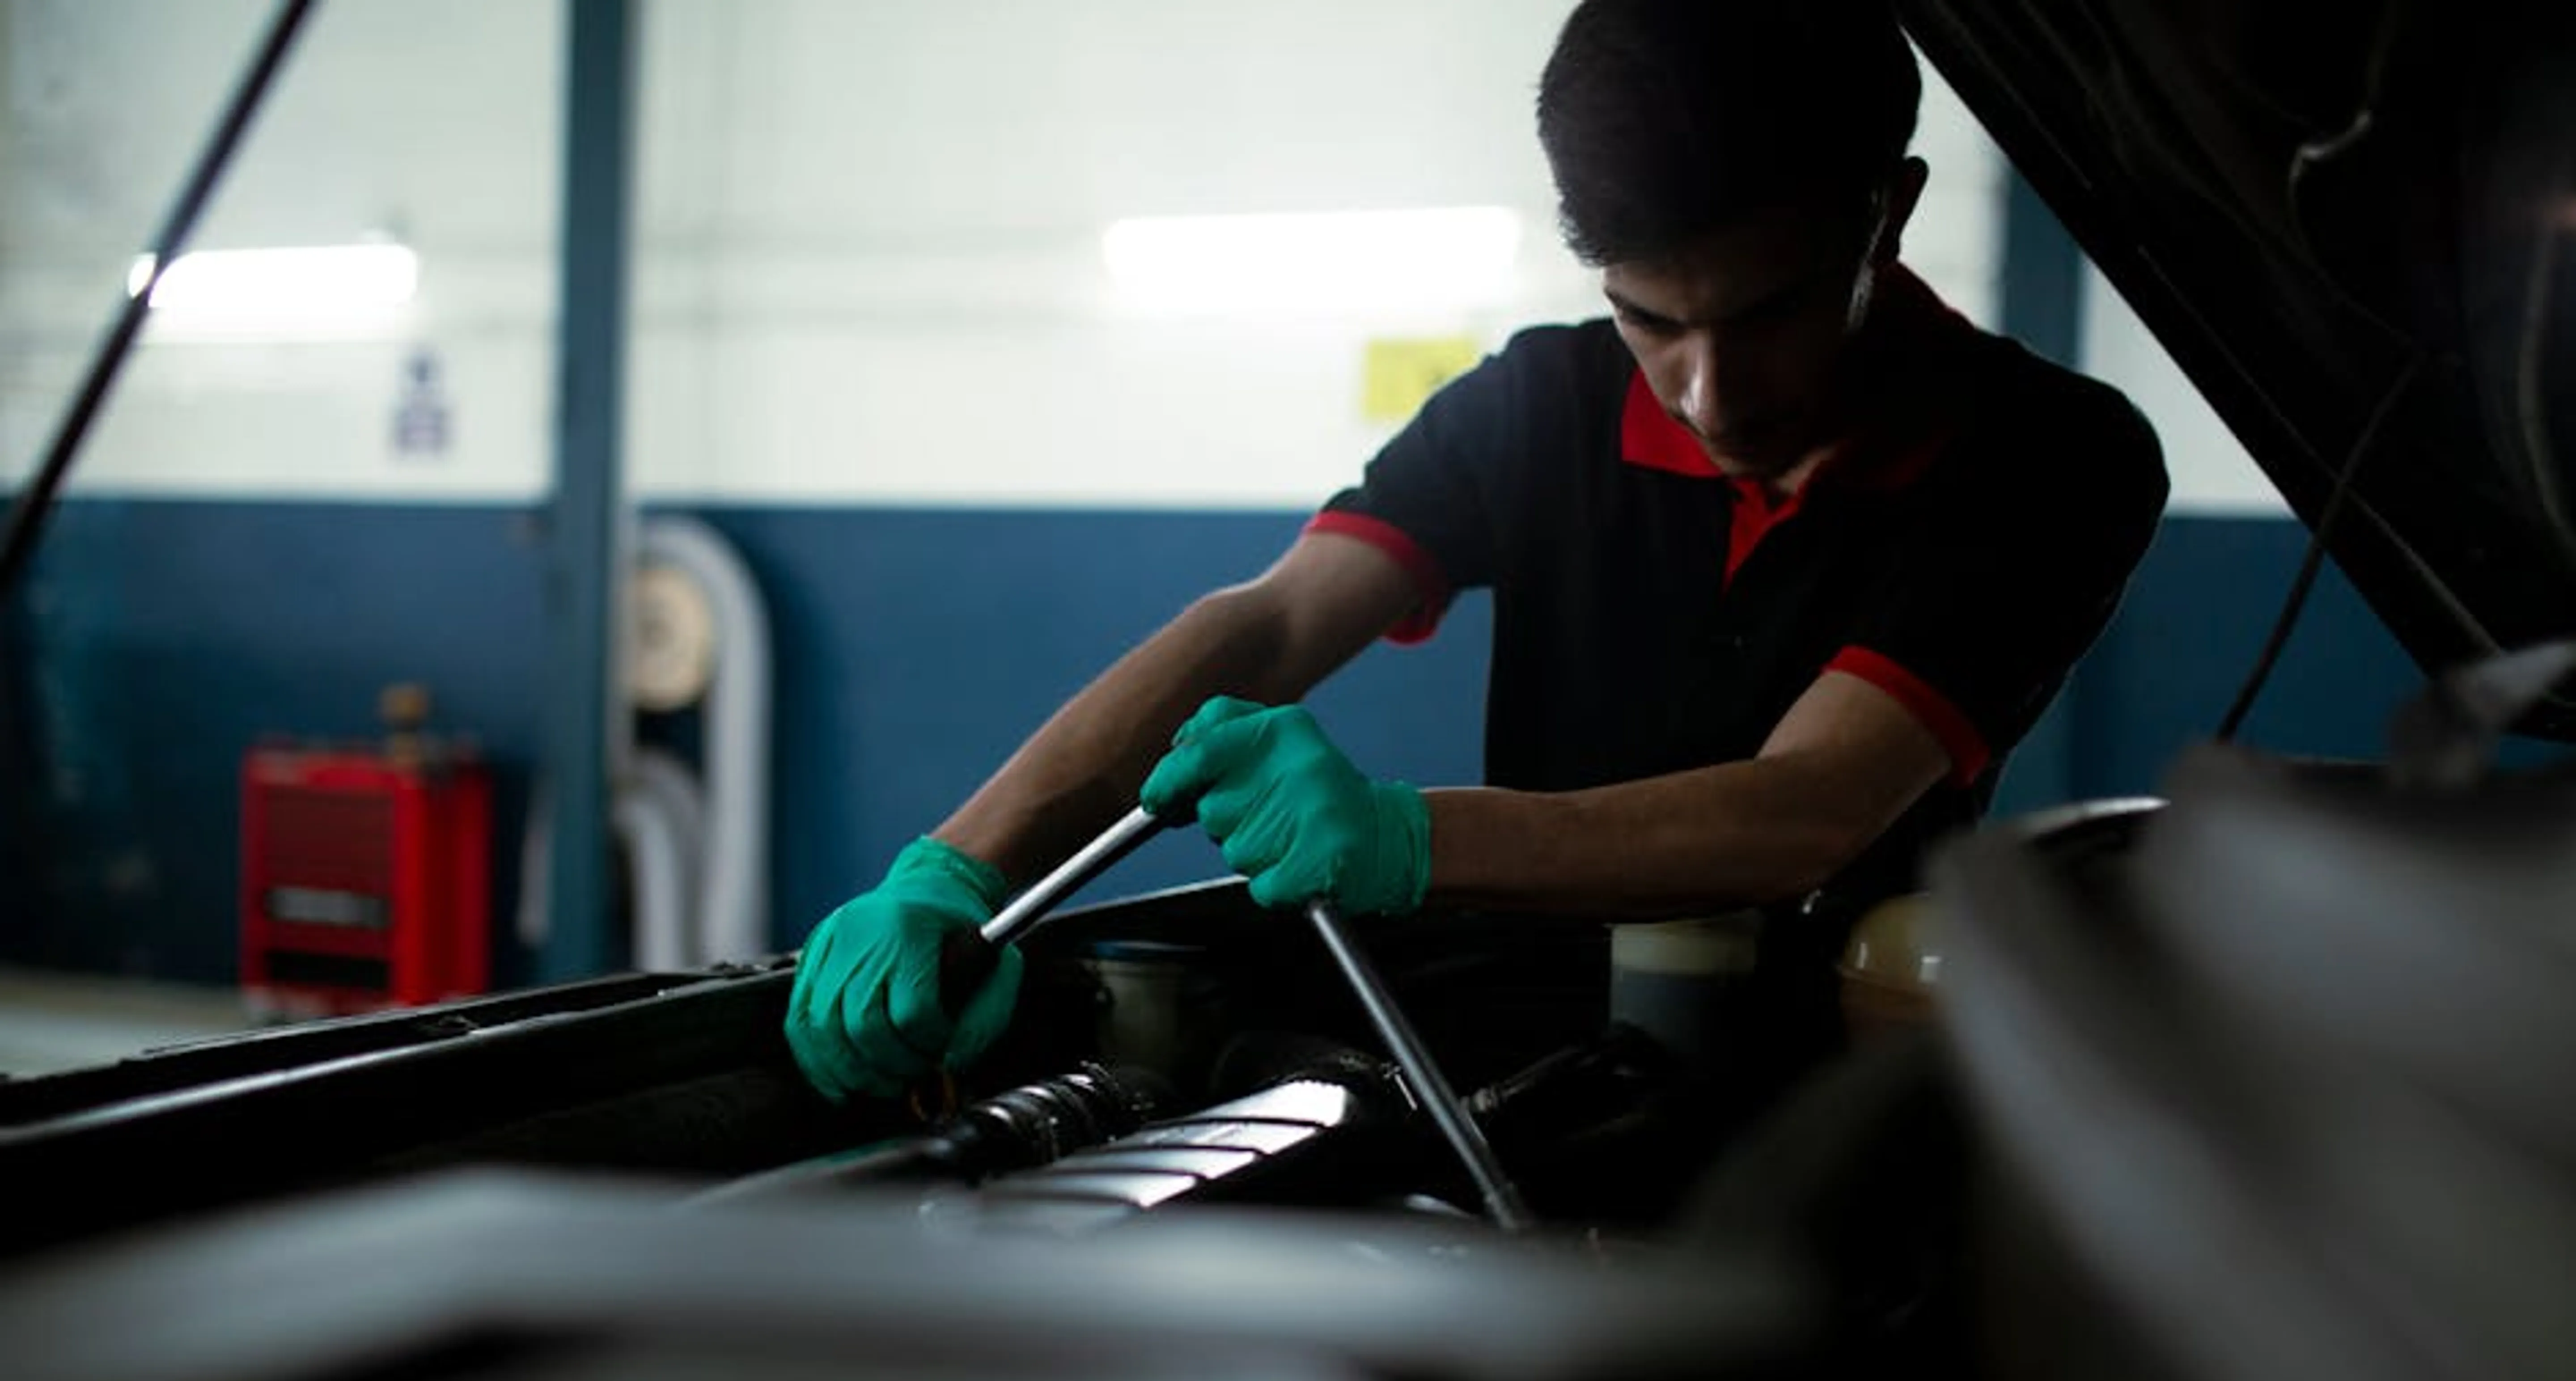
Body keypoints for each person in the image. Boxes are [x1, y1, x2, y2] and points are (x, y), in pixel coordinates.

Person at [784, 0, 2169, 1105]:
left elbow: (1807, 807)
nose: (1709, 395)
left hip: (1840, 1104)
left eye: (1767, 316)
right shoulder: (1540, 403)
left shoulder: (2049, 456)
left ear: (1892, 210)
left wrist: (1403, 837)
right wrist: (956, 867)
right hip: (1516, 1075)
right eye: (1648, 320)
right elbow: (1270, 631)